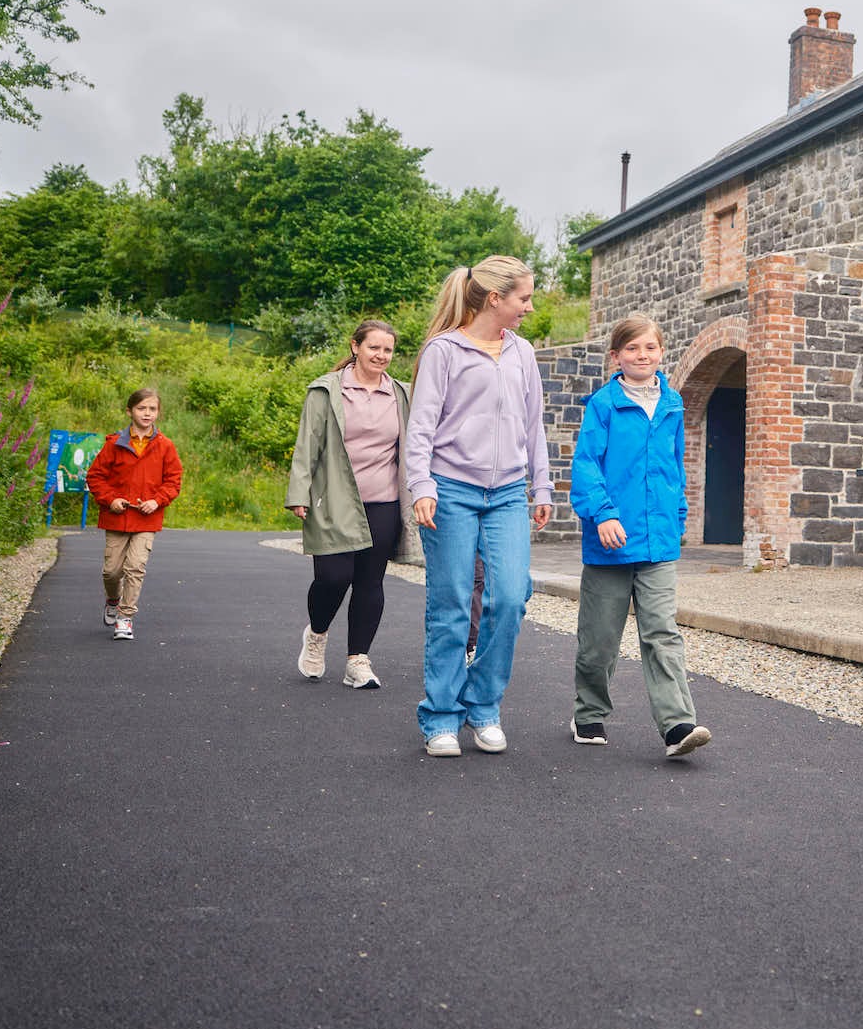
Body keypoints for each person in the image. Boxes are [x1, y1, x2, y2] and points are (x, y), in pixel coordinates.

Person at [405, 256, 553, 757]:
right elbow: (422, 426)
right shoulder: (444, 351)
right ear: (494, 298)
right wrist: (421, 485)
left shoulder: (522, 353)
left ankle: (483, 705)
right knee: (450, 603)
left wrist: (542, 487)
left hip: (507, 492)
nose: (529, 307)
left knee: (510, 597)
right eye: (524, 298)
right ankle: (441, 716)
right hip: (450, 490)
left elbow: (533, 425)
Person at [567, 316, 710, 758]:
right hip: (610, 541)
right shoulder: (603, 405)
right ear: (616, 356)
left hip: (658, 541)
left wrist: (678, 517)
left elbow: (675, 466)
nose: (641, 355)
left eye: (649, 347)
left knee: (662, 634)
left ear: (661, 352)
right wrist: (603, 514)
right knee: (599, 641)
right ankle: (589, 711)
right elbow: (586, 465)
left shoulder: (673, 403)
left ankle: (677, 725)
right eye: (632, 348)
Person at [285, 319, 423, 689]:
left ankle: (357, 661)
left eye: (388, 349)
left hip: (384, 502)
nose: (381, 355)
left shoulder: (401, 394)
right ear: (355, 346)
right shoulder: (327, 390)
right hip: (334, 499)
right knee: (332, 578)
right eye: (374, 347)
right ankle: (317, 634)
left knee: (369, 581)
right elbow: (307, 444)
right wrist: (299, 493)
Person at [85, 388, 184, 641]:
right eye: (142, 408)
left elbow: (173, 481)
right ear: (130, 411)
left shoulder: (165, 446)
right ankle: (113, 600)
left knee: (135, 567)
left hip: (147, 519)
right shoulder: (114, 444)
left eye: (152, 409)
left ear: (158, 412)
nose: (147, 413)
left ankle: (125, 617)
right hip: (117, 517)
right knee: (111, 571)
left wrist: (156, 501)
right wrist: (111, 499)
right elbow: (95, 477)